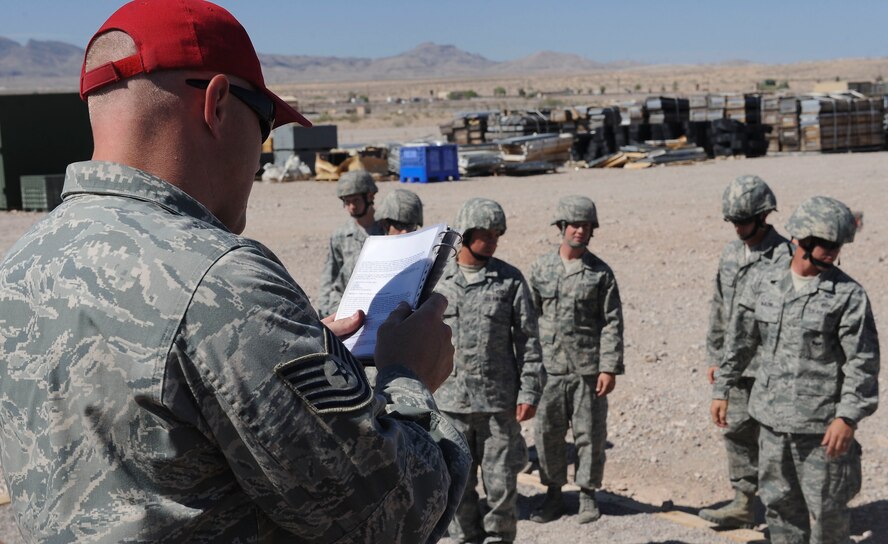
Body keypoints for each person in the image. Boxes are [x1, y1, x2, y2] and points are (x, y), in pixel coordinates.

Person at [0, 1, 469, 542]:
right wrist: (408, 376)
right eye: (265, 125)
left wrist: (290, 345)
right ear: (218, 103)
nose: (262, 157)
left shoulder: (23, 261)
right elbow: (397, 512)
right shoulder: (222, 283)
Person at [711, 196, 879, 544]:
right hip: (770, 423)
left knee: (827, 513)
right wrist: (721, 389)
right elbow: (739, 342)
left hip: (821, 429)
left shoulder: (848, 296)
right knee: (779, 507)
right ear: (802, 240)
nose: (834, 253)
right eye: (827, 245)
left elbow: (862, 363)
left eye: (838, 246)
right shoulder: (763, 283)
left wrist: (847, 417)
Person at [433, 198, 545, 544]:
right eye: (486, 233)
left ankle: (499, 537)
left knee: (501, 482)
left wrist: (528, 392)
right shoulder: (438, 282)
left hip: (498, 402)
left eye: (498, 233)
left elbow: (528, 341)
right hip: (450, 400)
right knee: (457, 481)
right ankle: (465, 536)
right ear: (466, 235)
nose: (494, 240)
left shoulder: (509, 281)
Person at [699, 175, 793, 529]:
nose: (737, 227)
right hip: (735, 365)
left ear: (763, 216)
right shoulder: (730, 254)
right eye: (733, 221)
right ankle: (742, 501)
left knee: (773, 443)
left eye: (743, 221)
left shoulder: (785, 257)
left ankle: (781, 513)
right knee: (736, 431)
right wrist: (714, 356)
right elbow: (719, 307)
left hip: (770, 366)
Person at [527, 195, 624, 525]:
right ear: (561, 227)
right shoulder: (541, 269)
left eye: (586, 225)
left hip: (587, 368)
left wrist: (609, 367)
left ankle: (587, 494)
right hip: (549, 369)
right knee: (548, 434)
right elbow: (529, 319)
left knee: (590, 435)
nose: (580, 231)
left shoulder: (600, 274)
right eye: (574, 225)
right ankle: (553, 493)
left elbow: (612, 321)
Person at [316, 170, 385, 316]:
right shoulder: (340, 236)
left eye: (356, 200)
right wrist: (323, 310)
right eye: (347, 201)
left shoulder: (387, 230)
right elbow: (330, 274)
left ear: (370, 196)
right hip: (351, 307)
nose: (351, 206)